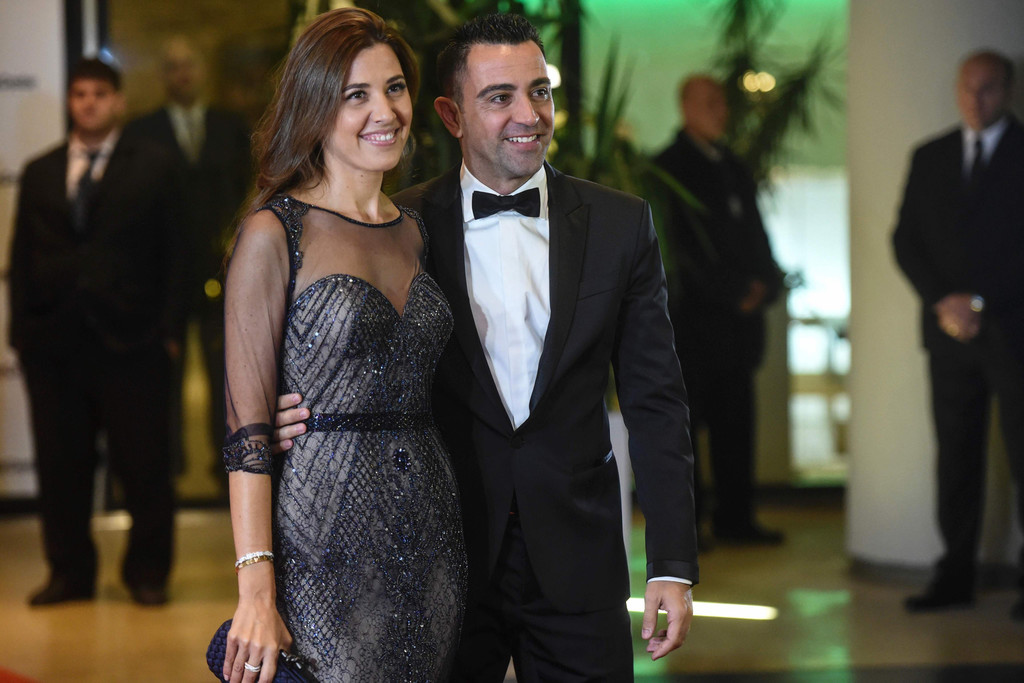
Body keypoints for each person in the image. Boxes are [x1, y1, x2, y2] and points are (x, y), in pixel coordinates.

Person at [275, 13, 698, 680]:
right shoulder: (399, 227)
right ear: (451, 115)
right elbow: (344, 355)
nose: (529, 115)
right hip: (439, 554)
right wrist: (294, 412)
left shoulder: (621, 223)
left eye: (540, 91)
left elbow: (656, 400)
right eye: (500, 97)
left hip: (579, 558)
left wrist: (671, 562)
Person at [219, 9, 466, 682]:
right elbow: (246, 439)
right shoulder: (275, 233)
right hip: (323, 542)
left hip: (433, 532)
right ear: (316, 107)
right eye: (356, 94)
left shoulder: (417, 231)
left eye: (394, 87)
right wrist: (255, 588)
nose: (384, 111)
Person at [9, 58, 187, 607]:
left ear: (118, 101)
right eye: (80, 94)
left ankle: (147, 573)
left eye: (100, 94)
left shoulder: (156, 165)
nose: (89, 103)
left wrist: (169, 330)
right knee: (61, 468)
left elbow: (177, 252)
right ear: (70, 102)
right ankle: (69, 574)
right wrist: (21, 336)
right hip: (54, 346)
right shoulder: (40, 171)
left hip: (134, 340)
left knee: (145, 465)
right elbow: (21, 256)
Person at [893, 50, 1024, 620]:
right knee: (955, 457)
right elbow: (905, 239)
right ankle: (954, 576)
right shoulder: (931, 155)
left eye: (988, 88)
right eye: (967, 87)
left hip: (1014, 332)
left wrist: (979, 301)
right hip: (947, 334)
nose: (975, 99)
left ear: (1008, 91)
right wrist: (943, 300)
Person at [653, 75, 784, 546]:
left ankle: (736, 519)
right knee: (686, 430)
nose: (721, 111)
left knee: (736, 424)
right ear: (686, 106)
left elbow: (756, 234)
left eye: (722, 102)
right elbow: (678, 250)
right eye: (710, 102)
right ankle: (687, 530)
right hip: (694, 324)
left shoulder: (733, 165)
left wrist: (767, 283)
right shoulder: (666, 169)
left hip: (739, 326)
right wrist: (732, 291)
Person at [124, 36, 251, 480]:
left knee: (225, 375)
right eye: (173, 66)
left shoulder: (230, 127)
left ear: (202, 70)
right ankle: (167, 468)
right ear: (163, 75)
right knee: (165, 378)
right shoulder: (142, 132)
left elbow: (246, 193)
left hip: (222, 270)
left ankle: (225, 470)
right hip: (164, 276)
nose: (182, 74)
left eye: (188, 64)